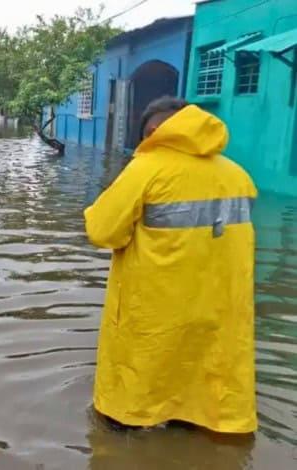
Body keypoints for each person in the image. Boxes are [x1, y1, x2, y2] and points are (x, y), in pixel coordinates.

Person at [84, 96, 257, 434]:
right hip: (218, 307)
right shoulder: (238, 175)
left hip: (155, 307)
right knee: (199, 390)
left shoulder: (147, 169)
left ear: (152, 130)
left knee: (127, 409)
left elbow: (102, 231)